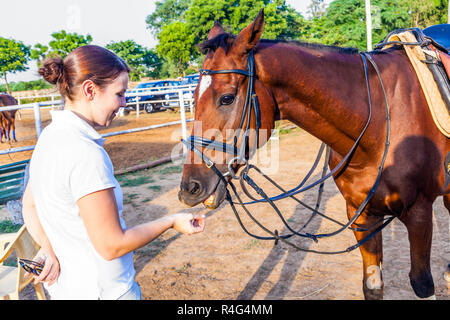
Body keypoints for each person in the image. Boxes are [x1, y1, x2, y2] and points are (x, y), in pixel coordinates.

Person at [21, 45, 205, 300]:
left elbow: (29, 205)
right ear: (90, 90)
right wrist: (171, 221)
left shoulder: (49, 138)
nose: (124, 102)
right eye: (120, 93)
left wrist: (47, 246)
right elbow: (111, 245)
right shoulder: (85, 154)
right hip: (106, 292)